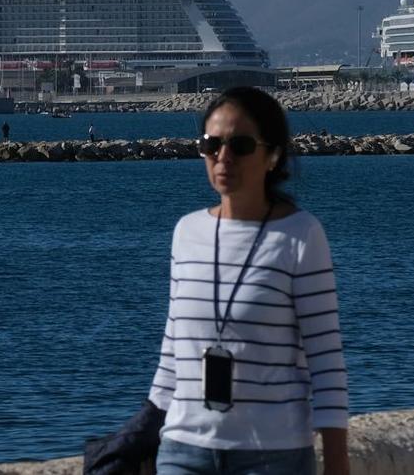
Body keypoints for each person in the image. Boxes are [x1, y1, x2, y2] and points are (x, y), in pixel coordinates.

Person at [149, 86, 349, 475]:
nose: (222, 158)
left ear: (272, 155)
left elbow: (325, 360)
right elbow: (174, 345)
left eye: (239, 145)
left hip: (271, 455)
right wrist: (144, 427)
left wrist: (337, 461)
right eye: (211, 144)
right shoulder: (186, 232)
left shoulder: (300, 235)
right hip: (182, 450)